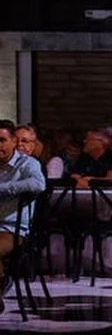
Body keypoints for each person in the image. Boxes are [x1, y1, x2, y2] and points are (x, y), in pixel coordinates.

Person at [0, 120, 45, 309]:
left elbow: (39, 184)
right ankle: (2, 281)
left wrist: (4, 188)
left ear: (12, 141)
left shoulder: (27, 164)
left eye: (1, 140)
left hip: (12, 229)